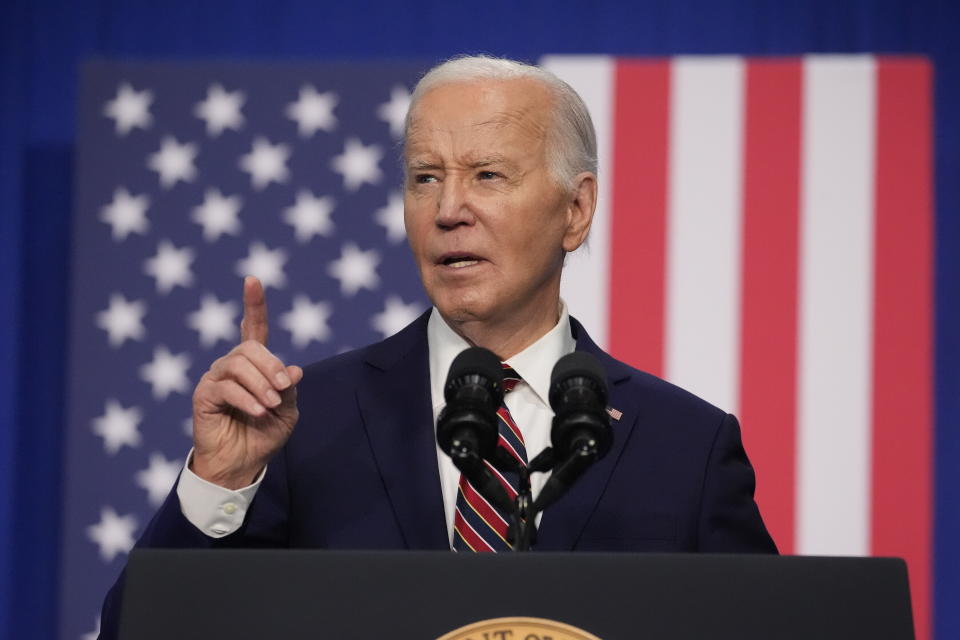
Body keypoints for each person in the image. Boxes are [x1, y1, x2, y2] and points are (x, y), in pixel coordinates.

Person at [98, 55, 775, 637]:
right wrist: (218, 482)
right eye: (425, 177)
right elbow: (138, 633)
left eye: (488, 176)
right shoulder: (303, 423)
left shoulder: (684, 446)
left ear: (576, 209)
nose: (448, 209)